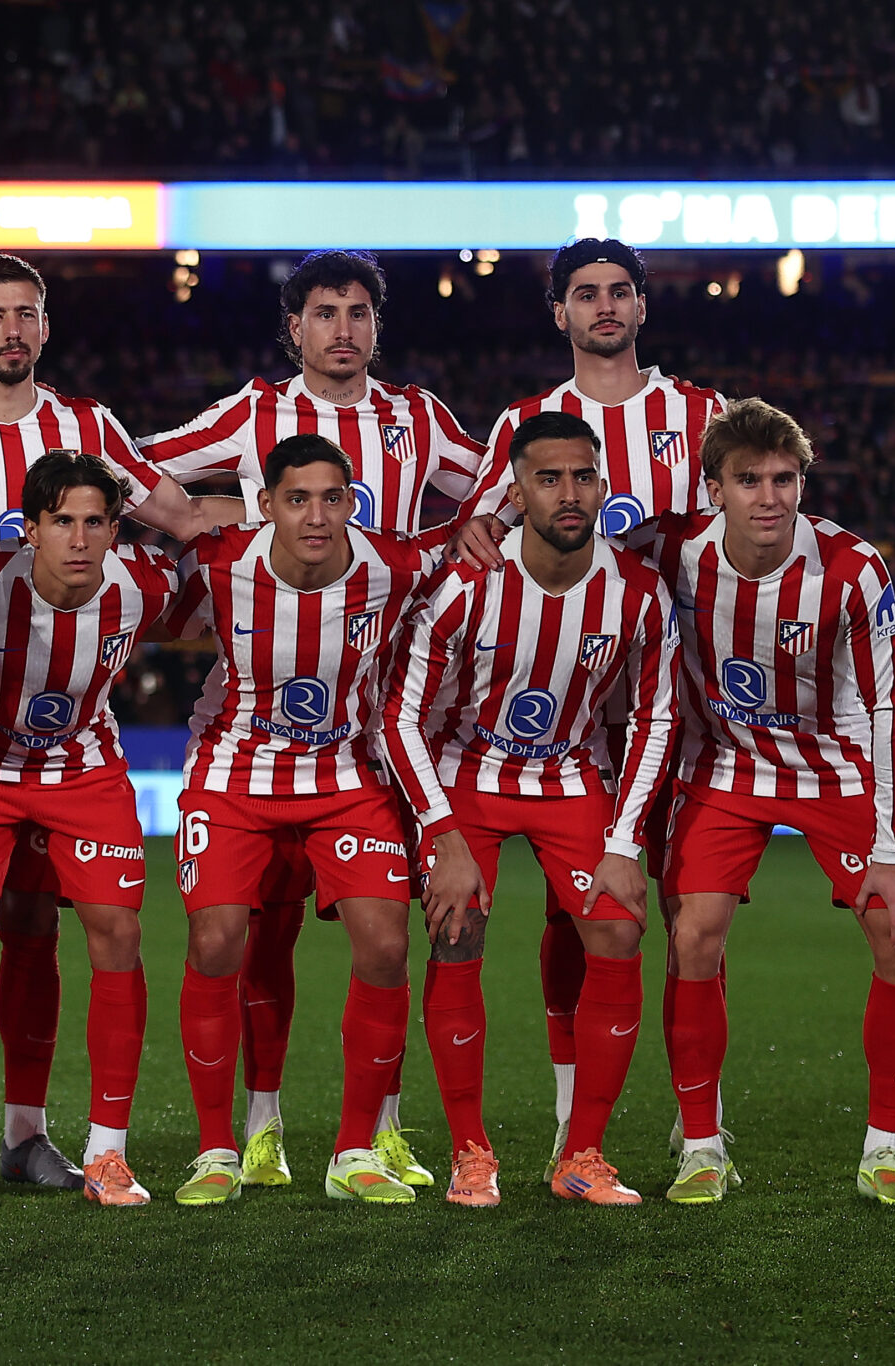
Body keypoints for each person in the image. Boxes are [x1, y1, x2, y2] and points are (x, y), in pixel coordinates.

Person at [0, 252, 222, 1193]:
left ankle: (30, 1133)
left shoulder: (89, 429)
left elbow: (178, 515)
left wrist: (301, 527)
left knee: (39, 930)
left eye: (27, 313)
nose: (11, 329)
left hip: (72, 734)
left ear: (45, 327)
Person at [138, 248, 486, 1190]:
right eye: (324, 312)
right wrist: (192, 530)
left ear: (378, 325)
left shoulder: (416, 419)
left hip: (370, 729)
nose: (343, 329)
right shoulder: (253, 415)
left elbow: (494, 483)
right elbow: (140, 466)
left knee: (385, 940)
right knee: (251, 941)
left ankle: (377, 1137)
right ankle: (254, 1131)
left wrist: (479, 528)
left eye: (359, 312)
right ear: (294, 328)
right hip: (248, 732)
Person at [458, 238, 727, 1180]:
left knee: (689, 910)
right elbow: (484, 535)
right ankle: (581, 1124)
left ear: (643, 308)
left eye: (620, 292)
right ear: (559, 313)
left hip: (675, 699)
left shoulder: (700, 413)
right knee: (570, 917)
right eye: (585, 294)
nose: (604, 306)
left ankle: (703, 1134)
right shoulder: (527, 422)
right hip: (563, 713)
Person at [631, 398, 895, 1207]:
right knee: (692, 936)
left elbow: (888, 707)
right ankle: (701, 1145)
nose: (769, 497)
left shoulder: (850, 567)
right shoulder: (669, 548)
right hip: (722, 765)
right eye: (748, 480)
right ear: (713, 488)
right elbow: (571, 549)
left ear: (802, 482)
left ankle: (887, 1151)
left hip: (831, 766)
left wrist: (894, 847)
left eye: (784, 478)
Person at [381, 411, 679, 1208]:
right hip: (466, 776)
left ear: (603, 487)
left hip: (568, 776)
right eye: (549, 479)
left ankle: (582, 1154)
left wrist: (624, 843)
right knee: (455, 930)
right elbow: (399, 717)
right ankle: (470, 1152)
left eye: (583, 476)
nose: (568, 493)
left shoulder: (639, 594)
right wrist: (442, 836)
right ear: (517, 491)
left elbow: (656, 718)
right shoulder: (464, 587)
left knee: (617, 927)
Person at [167, 433, 450, 1208]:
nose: (317, 515)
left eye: (333, 498)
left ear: (352, 504)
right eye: (297, 499)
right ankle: (217, 1149)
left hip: (348, 778)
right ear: (266, 507)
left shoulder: (393, 566)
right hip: (234, 778)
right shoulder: (220, 564)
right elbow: (145, 611)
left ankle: (356, 1150)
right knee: (218, 940)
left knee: (387, 945)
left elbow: (468, 546)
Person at [0, 453, 179, 1210]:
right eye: (60, 520)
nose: (77, 537)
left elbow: (228, 580)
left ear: (113, 529)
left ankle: (108, 1154)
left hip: (83, 770)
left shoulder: (146, 585)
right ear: (29, 528)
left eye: (94, 521)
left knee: (118, 935)